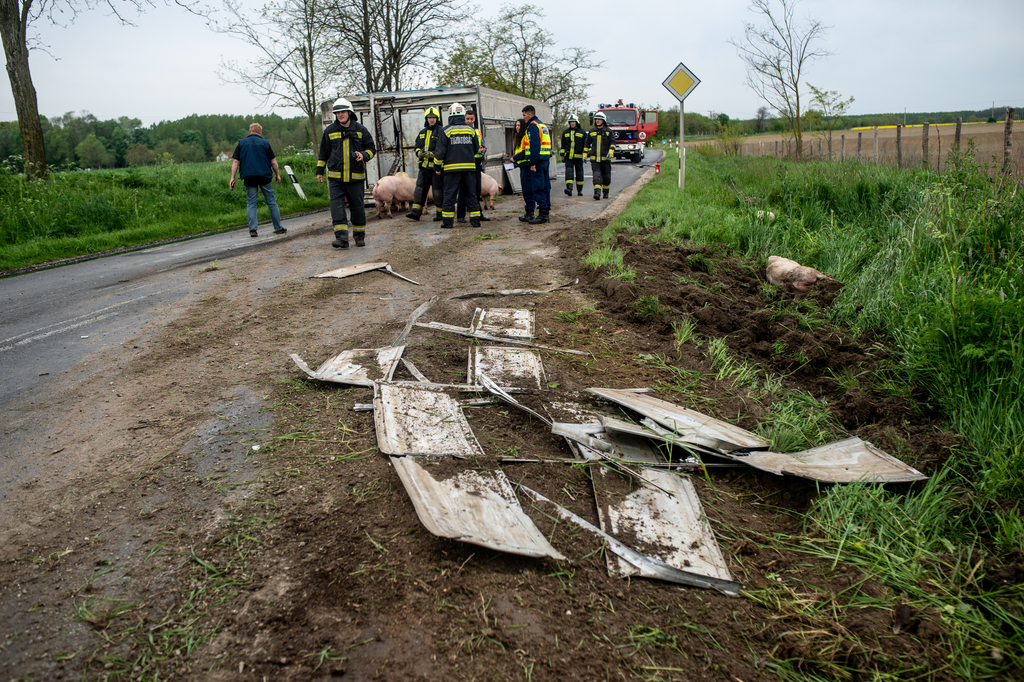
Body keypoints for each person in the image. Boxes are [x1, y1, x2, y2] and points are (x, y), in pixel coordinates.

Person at [316, 97, 377, 248]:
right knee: (337, 209)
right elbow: (323, 152)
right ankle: (342, 239)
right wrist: (319, 170)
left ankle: (359, 237)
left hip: (355, 178)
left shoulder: (361, 130)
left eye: (343, 112)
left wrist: (364, 155)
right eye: (337, 113)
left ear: (349, 113)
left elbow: (371, 149)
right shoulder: (330, 131)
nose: (340, 115)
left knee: (357, 209)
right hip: (335, 178)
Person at [229, 122, 286, 237]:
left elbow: (235, 161)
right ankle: (278, 227)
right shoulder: (265, 143)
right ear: (260, 132)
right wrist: (277, 174)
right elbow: (273, 162)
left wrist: (232, 178)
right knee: (271, 202)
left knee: (251, 203)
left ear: (249, 131)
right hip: (264, 176)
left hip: (249, 176)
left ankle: (253, 229)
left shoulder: (241, 143)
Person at [434, 102, 481, 229]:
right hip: (469, 168)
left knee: (449, 195)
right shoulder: (471, 130)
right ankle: (475, 220)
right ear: (463, 114)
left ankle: (448, 222)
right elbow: (477, 148)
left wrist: (437, 167)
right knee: (471, 194)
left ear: (450, 114)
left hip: (451, 169)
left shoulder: (446, 130)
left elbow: (440, 152)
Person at [512, 104, 552, 224]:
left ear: (530, 114)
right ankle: (545, 213)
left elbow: (534, 145)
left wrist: (533, 163)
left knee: (539, 187)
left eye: (524, 115)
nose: (523, 118)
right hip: (544, 160)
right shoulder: (542, 125)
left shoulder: (533, 126)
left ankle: (542, 215)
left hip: (538, 161)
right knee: (545, 187)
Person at [406, 107, 444, 222]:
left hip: (436, 168)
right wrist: (419, 153)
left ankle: (440, 213)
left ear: (437, 119)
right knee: (420, 189)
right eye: (429, 118)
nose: (431, 120)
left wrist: (432, 155)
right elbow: (416, 146)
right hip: (423, 167)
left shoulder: (441, 131)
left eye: (433, 118)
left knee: (438, 191)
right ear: (426, 119)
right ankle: (416, 212)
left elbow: (442, 148)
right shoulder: (422, 132)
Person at [457, 109, 490, 223]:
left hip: (476, 164)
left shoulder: (477, 132)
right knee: (463, 191)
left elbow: (482, 144)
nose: (469, 121)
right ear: (464, 119)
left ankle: (478, 213)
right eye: (467, 119)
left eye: (471, 119)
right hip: (465, 165)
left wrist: (484, 149)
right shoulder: (461, 131)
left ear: (474, 119)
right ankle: (461, 215)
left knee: (476, 190)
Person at [507, 119, 535, 223]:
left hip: (527, 166)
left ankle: (530, 213)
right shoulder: (519, 139)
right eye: (516, 125)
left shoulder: (525, 137)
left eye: (519, 125)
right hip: (522, 166)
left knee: (528, 190)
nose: (517, 127)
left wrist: (515, 158)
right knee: (526, 191)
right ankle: (529, 212)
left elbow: (525, 152)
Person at [585, 111, 615, 200]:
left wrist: (611, 151)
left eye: (599, 119)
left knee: (606, 177)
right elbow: (587, 143)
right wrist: (584, 155)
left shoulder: (609, 131)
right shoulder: (592, 131)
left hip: (605, 159)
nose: (597, 121)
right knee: (596, 177)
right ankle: (597, 193)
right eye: (596, 119)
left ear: (603, 121)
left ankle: (605, 193)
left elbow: (613, 143)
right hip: (595, 160)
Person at [560, 114, 587, 196]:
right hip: (569, 157)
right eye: (571, 122)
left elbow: (585, 145)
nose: (572, 123)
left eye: (573, 122)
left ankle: (579, 190)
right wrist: (562, 155)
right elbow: (563, 145)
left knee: (579, 174)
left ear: (577, 122)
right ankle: (569, 189)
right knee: (569, 173)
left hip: (578, 157)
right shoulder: (565, 132)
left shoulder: (582, 133)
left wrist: (585, 154)